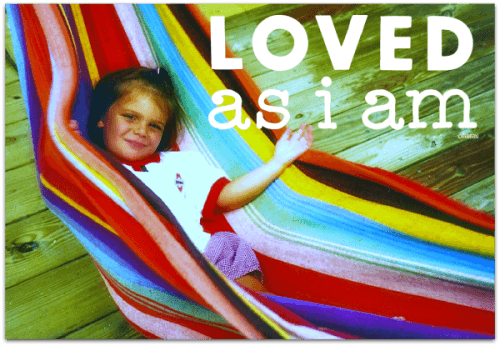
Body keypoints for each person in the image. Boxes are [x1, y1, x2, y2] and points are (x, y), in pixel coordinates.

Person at [71, 67, 313, 292]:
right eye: (130, 117)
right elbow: (71, 178)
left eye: (154, 125)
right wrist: (67, 144)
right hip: (154, 276)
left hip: (207, 259)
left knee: (251, 299)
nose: (142, 130)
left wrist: (277, 163)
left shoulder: (177, 164)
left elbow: (225, 197)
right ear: (102, 117)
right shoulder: (92, 164)